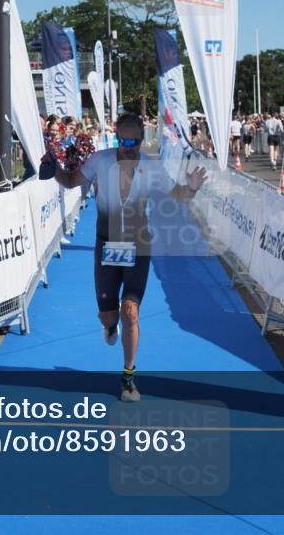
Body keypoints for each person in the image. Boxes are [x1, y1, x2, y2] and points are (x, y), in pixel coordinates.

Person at [45, 113, 206, 402]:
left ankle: (128, 378)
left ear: (141, 141)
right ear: (116, 137)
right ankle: (108, 323)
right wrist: (52, 167)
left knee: (130, 311)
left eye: (133, 141)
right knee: (111, 315)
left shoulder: (152, 167)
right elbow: (69, 181)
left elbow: (176, 196)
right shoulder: (99, 160)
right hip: (105, 244)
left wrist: (191, 187)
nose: (127, 146)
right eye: (122, 140)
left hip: (138, 244)